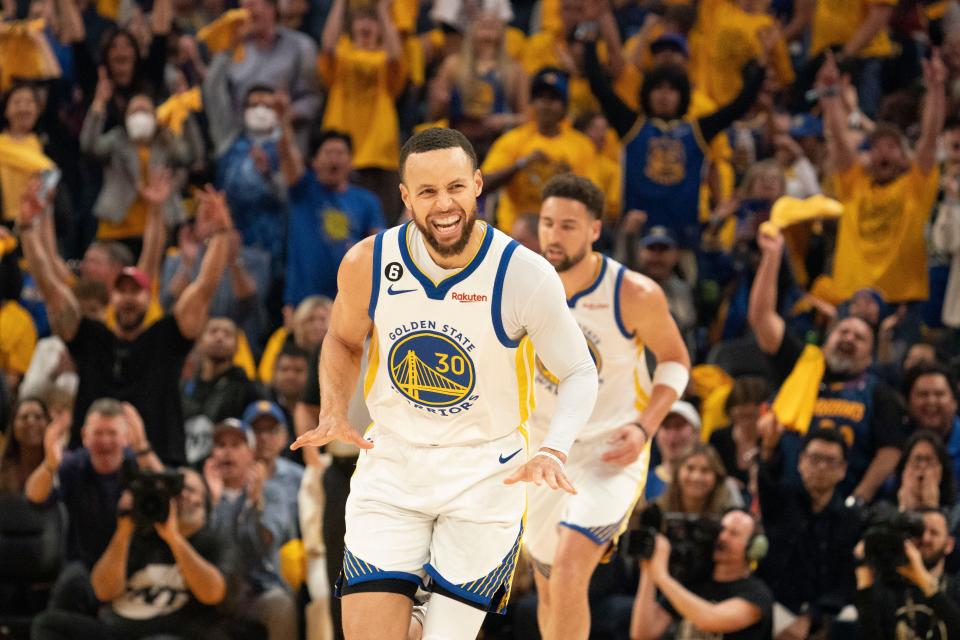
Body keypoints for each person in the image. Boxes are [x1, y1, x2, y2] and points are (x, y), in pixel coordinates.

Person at [291, 128, 598, 639]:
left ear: (478, 184)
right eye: (427, 192)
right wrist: (334, 410)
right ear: (405, 197)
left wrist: (555, 450)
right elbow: (342, 340)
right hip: (394, 466)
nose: (444, 204)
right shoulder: (368, 262)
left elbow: (579, 370)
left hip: (484, 475)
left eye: (455, 187)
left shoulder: (524, 275)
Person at [524, 173, 691, 640]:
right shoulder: (523, 285)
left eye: (569, 226)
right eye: (548, 223)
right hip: (544, 451)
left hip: (610, 451)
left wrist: (645, 427)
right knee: (549, 585)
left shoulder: (632, 293)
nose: (554, 236)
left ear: (596, 230)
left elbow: (676, 360)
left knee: (571, 565)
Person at [21, 184, 234, 464]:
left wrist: (220, 234)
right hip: (92, 467)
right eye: (122, 291)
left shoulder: (166, 337)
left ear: (150, 298)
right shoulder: (90, 338)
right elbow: (49, 286)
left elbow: (206, 286)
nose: (129, 299)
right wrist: (26, 228)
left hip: (159, 466)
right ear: (112, 298)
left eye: (136, 291)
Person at [748, 229, 906, 501]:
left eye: (859, 338)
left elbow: (890, 450)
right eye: (843, 331)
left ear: (869, 357)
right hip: (786, 499)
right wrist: (772, 256)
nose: (848, 338)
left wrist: (859, 498)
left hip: (841, 505)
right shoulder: (802, 365)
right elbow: (762, 318)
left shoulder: (877, 392)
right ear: (826, 339)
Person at [583, 31, 766, 248]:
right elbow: (601, 89)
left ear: (682, 95)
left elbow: (738, 106)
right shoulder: (632, 126)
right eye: (658, 88)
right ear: (647, 93)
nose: (664, 95)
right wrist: (589, 43)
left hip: (684, 239)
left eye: (672, 89)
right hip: (635, 234)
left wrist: (761, 67)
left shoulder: (698, 130)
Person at [30, 467, 230, 640]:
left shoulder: (214, 542)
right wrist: (124, 529)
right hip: (116, 631)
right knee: (48, 624)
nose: (179, 495)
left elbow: (213, 594)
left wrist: (174, 537)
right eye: (173, 491)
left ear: (204, 501)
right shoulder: (142, 538)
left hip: (172, 633)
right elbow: (103, 591)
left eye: (189, 489)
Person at [817, 50, 946, 303]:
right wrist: (831, 96)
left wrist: (936, 88)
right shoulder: (854, 184)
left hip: (902, 301)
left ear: (903, 156)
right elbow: (840, 144)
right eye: (876, 146)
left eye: (891, 146)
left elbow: (930, 138)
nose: (882, 152)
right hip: (850, 298)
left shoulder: (914, 186)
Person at [24, 399, 163, 569]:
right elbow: (34, 498)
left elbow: (170, 493)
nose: (105, 441)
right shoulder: (73, 464)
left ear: (126, 438)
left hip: (134, 565)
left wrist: (142, 446)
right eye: (98, 433)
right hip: (82, 566)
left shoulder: (139, 463)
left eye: (112, 433)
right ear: (85, 436)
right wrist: (50, 463)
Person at [757, 423, 861, 639]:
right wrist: (768, 448)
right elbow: (767, 477)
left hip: (826, 613)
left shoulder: (852, 519)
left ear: (843, 470)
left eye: (830, 461)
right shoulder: (780, 501)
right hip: (778, 605)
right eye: (815, 459)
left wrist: (812, 618)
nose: (821, 467)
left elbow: (846, 582)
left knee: (851, 618)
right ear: (801, 462)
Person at [206, 418, 299, 640]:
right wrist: (216, 502)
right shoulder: (201, 493)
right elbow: (205, 549)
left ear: (251, 454)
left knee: (280, 605)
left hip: (257, 591)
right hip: (212, 592)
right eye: (221, 446)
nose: (227, 453)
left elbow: (263, 546)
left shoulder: (271, 493)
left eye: (236, 445)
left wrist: (255, 504)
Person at [280, 126, 386, 307]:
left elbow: (379, 247)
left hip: (349, 301)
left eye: (340, 153)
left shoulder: (367, 201)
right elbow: (287, 156)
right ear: (314, 161)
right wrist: (283, 122)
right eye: (328, 153)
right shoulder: (302, 190)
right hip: (302, 300)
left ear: (351, 161)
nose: (334, 159)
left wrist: (361, 253)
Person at [480, 68, 597, 233]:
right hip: (515, 233)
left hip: (559, 234)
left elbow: (591, 199)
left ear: (564, 106)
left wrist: (567, 179)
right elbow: (482, 185)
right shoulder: (514, 140)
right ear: (532, 103)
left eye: (553, 98)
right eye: (540, 97)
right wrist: (520, 165)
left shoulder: (581, 145)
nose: (545, 105)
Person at [318, 0, 405, 219]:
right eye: (361, 20)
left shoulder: (386, 61)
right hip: (340, 152)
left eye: (372, 22)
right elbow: (327, 45)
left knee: (380, 229)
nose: (366, 25)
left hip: (380, 157)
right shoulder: (342, 56)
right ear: (351, 26)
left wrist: (383, 11)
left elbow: (396, 57)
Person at [631, 509, 774, 639]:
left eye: (734, 533)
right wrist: (648, 569)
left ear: (754, 548)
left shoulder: (757, 595)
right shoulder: (696, 579)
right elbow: (643, 634)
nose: (723, 538)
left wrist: (661, 576)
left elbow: (711, 619)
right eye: (722, 529)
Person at [855, 508, 960, 639]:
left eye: (934, 533)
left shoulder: (956, 587)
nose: (925, 538)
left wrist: (925, 581)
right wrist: (864, 583)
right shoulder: (887, 587)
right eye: (920, 532)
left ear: (949, 545)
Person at [182, 317, 264, 464]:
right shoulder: (183, 387)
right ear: (199, 341)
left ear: (237, 346)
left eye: (227, 334)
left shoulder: (248, 389)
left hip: (226, 467)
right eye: (213, 331)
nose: (219, 337)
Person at [709, 376, 770, 488]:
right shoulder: (718, 439)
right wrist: (724, 483)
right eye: (740, 416)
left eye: (751, 416)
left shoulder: (773, 442)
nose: (746, 423)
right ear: (730, 412)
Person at [904, 363, 960, 482]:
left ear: (955, 402)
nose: (931, 401)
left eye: (939, 394)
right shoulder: (894, 443)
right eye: (923, 394)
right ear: (908, 403)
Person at [0, 398, 64, 494]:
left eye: (38, 417)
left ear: (48, 424)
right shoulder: (2, 466)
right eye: (24, 417)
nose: (31, 422)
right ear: (13, 425)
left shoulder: (63, 465)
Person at [656, 443, 738, 517]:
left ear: (717, 476)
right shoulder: (657, 512)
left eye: (705, 470)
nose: (696, 477)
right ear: (677, 472)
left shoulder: (731, 515)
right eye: (690, 468)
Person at [646, 400, 702, 500]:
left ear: (696, 433)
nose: (672, 436)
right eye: (666, 426)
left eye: (679, 425)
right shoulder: (641, 485)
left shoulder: (713, 484)